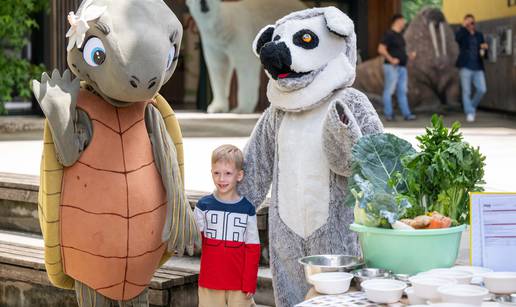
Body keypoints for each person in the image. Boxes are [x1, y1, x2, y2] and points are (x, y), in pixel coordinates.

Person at [194, 145, 260, 307]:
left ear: (239, 175)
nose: (221, 179)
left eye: (228, 173)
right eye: (217, 173)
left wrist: (249, 282)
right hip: (210, 282)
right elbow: (195, 240)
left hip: (239, 286)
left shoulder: (247, 209)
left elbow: (253, 249)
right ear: (211, 173)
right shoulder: (203, 206)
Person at [378, 13, 417, 121]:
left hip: (402, 67)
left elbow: (399, 51)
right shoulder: (389, 34)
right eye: (403, 21)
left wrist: (408, 56)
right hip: (392, 67)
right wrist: (391, 59)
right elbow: (381, 49)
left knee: (402, 91)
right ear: (398, 21)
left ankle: (407, 114)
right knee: (389, 91)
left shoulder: (400, 36)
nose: (404, 23)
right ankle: (389, 114)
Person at [455, 14, 488, 122]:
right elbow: (457, 38)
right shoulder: (462, 33)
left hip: (478, 66)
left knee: (482, 89)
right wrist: (464, 27)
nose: (470, 25)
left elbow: (484, 52)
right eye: (468, 22)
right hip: (465, 66)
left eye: (472, 22)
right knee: (466, 92)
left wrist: (485, 48)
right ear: (465, 23)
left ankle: (471, 107)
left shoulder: (479, 35)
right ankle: (469, 112)